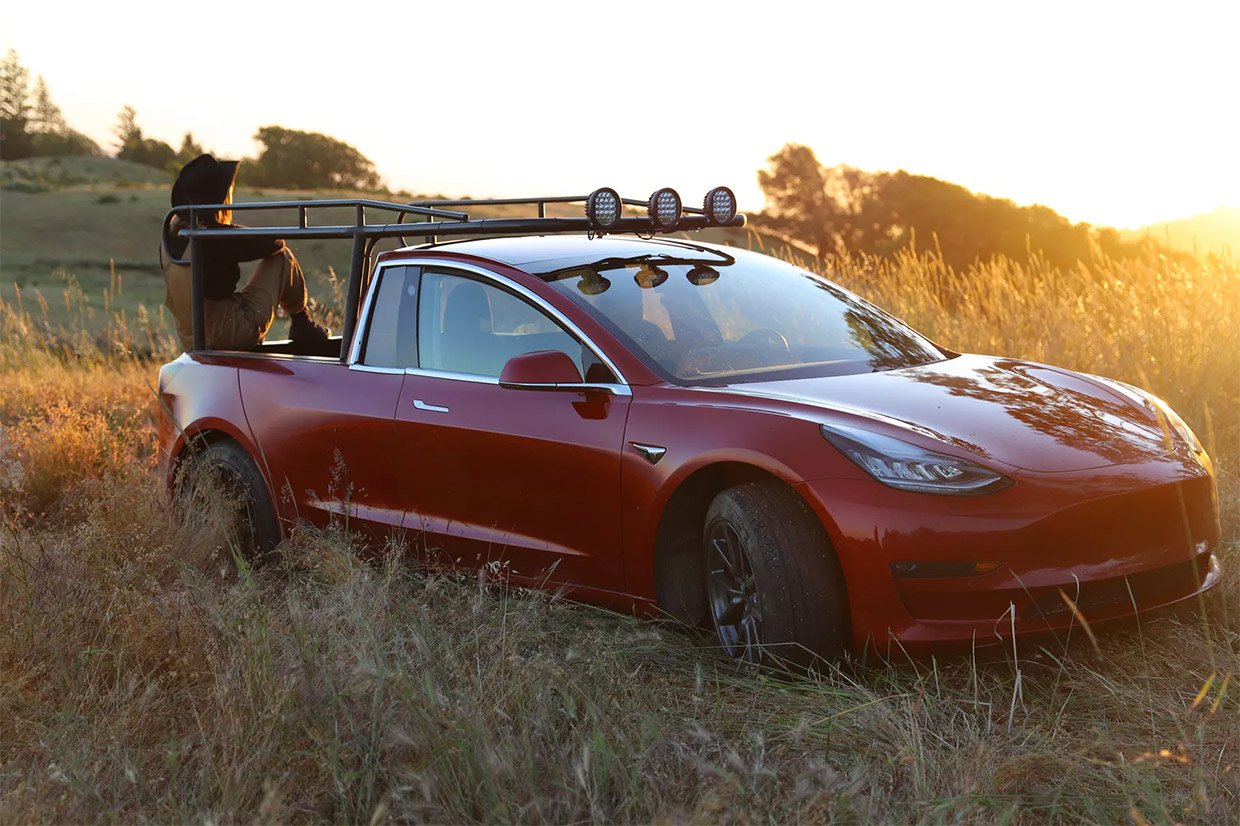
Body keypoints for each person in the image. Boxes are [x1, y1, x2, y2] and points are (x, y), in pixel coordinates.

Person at [160, 153, 330, 352]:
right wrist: (230, 229)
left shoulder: (172, 237)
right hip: (231, 335)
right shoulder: (211, 239)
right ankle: (302, 322)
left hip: (193, 340)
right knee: (282, 258)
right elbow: (274, 244)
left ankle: (302, 323)